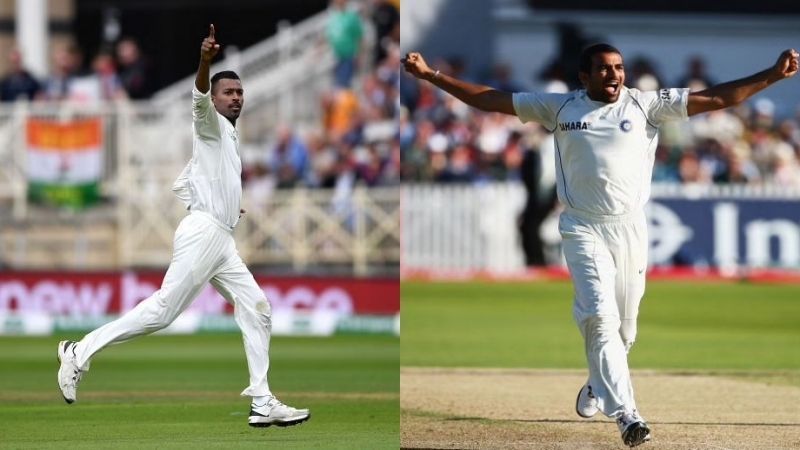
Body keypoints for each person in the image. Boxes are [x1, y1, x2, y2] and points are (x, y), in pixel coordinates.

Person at [403, 44, 798, 447]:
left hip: (630, 230)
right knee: (600, 318)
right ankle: (628, 415)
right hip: (582, 227)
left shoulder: (646, 105)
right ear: (584, 78)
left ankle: (598, 381)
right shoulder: (559, 108)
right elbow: (490, 99)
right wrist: (433, 76)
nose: (614, 75)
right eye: (604, 69)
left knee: (625, 332)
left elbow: (716, 98)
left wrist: (771, 74)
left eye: (619, 68)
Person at [57, 24, 310, 429]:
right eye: (229, 93)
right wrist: (205, 62)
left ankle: (262, 401)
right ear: (216, 98)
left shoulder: (226, 136)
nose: (236, 98)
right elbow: (197, 101)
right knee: (162, 312)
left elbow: (182, 183)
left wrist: (225, 204)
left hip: (220, 235)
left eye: (240, 93)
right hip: (204, 233)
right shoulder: (208, 124)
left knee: (258, 308)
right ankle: (78, 352)